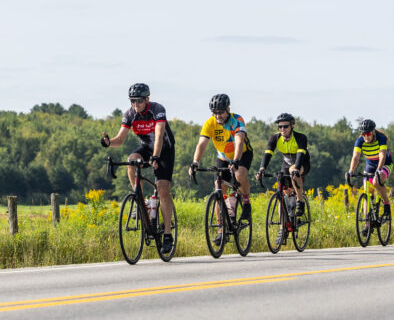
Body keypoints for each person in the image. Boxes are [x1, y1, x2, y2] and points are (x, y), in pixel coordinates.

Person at [101, 83, 176, 254]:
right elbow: (119, 140)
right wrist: (108, 142)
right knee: (131, 160)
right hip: (146, 148)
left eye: (139, 101)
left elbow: (158, 135)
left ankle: (167, 235)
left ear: (147, 99)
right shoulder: (130, 114)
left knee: (163, 190)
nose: (136, 104)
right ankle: (139, 199)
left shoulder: (157, 109)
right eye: (133, 101)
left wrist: (155, 157)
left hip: (164, 150)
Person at [189, 93, 254, 246]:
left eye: (221, 112)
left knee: (239, 175)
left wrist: (236, 161)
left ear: (228, 109)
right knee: (219, 189)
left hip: (242, 154)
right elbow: (202, 144)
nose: (218, 115)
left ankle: (246, 201)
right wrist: (195, 162)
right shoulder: (210, 123)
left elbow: (239, 142)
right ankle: (221, 230)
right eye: (215, 113)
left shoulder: (236, 120)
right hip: (223, 157)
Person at [256, 113, 311, 216]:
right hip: (286, 164)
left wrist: (296, 169)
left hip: (302, 162)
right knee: (283, 194)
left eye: (285, 126)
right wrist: (262, 169)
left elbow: (300, 155)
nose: (282, 129)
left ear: (292, 126)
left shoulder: (300, 137)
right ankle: (283, 228)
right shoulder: (275, 138)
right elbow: (267, 155)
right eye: (280, 126)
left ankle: (300, 201)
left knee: (293, 170)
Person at [346, 119, 393, 217]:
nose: (366, 136)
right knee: (367, 192)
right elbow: (355, 157)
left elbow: (382, 156)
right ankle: (367, 223)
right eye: (363, 134)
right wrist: (351, 170)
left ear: (373, 132)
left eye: (368, 134)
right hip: (370, 165)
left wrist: (379, 170)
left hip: (385, 164)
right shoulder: (359, 141)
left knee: (376, 182)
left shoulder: (381, 138)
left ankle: (386, 204)